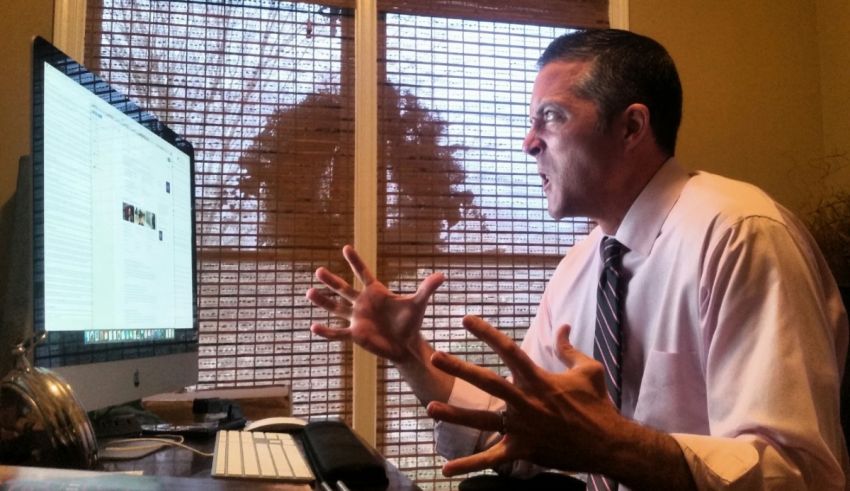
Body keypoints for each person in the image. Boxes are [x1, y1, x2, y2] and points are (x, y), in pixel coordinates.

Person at [306, 29, 849, 490]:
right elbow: (523, 429)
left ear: (632, 127)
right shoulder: (580, 266)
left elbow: (798, 473)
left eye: (552, 118)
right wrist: (411, 354)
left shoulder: (739, 235)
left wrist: (611, 446)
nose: (528, 143)